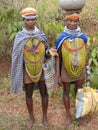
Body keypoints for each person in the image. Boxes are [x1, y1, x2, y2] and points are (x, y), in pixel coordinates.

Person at [11, 7, 58, 128]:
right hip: (27, 69)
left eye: (33, 19)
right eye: (28, 20)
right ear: (23, 20)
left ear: (36, 19)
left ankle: (45, 117)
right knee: (28, 94)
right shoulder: (20, 36)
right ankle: (31, 118)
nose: (30, 22)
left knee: (44, 93)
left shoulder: (40, 34)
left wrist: (49, 52)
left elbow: (45, 49)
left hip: (41, 68)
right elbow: (17, 55)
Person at [56, 11, 89, 126]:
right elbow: (58, 57)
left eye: (75, 21)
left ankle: (78, 114)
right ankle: (68, 114)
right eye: (70, 20)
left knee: (79, 91)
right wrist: (58, 75)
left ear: (78, 22)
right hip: (66, 70)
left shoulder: (82, 37)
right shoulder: (62, 38)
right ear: (66, 21)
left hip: (80, 70)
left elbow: (85, 53)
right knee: (66, 91)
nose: (72, 23)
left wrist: (87, 68)